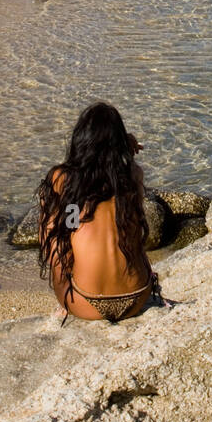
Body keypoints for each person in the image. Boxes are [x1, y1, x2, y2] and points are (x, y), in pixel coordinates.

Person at [38, 102, 162, 324]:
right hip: (136, 297)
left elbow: (62, 224)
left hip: (84, 301)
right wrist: (125, 146)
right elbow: (115, 167)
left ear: (80, 141)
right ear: (120, 145)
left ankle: (68, 288)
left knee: (59, 222)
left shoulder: (62, 179)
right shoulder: (133, 177)